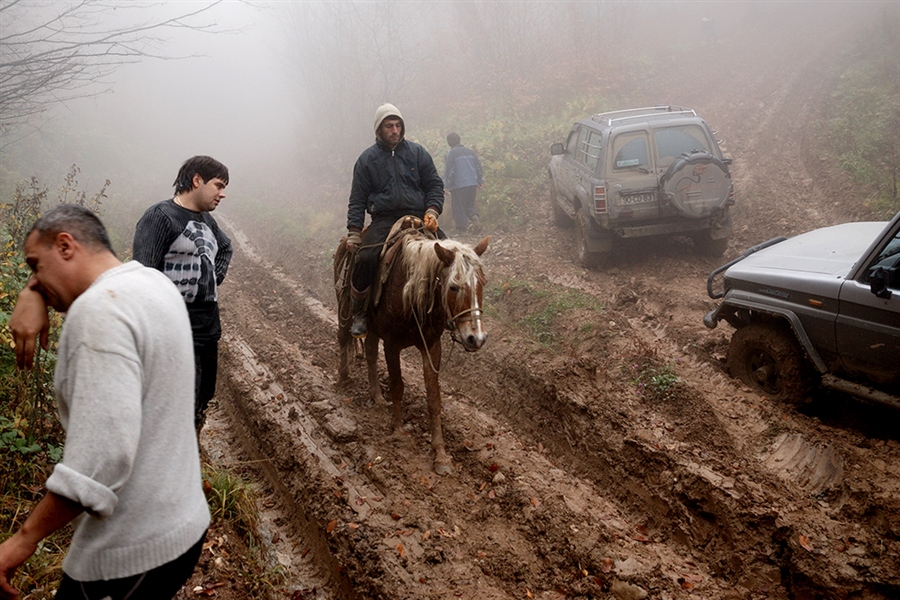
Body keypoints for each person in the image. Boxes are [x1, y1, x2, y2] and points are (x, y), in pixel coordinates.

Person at [1, 205, 209, 600]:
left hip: (129, 554)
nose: (34, 279)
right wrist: (36, 288)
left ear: (66, 245)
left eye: (34, 266)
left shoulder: (98, 313)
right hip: (180, 526)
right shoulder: (152, 282)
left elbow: (100, 459)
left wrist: (21, 541)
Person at [132, 155, 233, 431]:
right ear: (197, 180)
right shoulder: (160, 217)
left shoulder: (207, 221)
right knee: (176, 405)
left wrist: (212, 277)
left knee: (202, 396)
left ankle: (192, 448)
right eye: (219, 185)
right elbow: (143, 275)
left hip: (207, 327)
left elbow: (225, 247)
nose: (222, 194)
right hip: (172, 328)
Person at [346, 103, 445, 338]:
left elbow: (434, 184)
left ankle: (447, 312)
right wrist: (354, 231)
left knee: (449, 255)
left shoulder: (418, 153)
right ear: (379, 129)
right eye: (389, 126)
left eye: (398, 125)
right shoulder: (366, 160)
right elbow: (357, 199)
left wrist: (432, 211)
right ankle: (359, 312)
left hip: (419, 217)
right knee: (366, 257)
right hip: (384, 219)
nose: (395, 130)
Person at [443, 132, 485, 235]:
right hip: (472, 183)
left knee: (458, 207)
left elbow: (449, 170)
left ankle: (461, 230)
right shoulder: (471, 152)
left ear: (449, 142)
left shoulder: (451, 153)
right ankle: (475, 219)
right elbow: (478, 167)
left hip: (459, 185)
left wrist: (446, 185)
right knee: (470, 205)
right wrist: (480, 180)